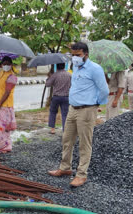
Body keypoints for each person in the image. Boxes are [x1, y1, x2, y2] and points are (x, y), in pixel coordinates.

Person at [48, 42, 109, 187]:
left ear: (86, 54)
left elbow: (104, 90)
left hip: (87, 110)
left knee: (84, 143)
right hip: (72, 108)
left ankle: (81, 175)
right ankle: (65, 168)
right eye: (73, 55)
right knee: (66, 139)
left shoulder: (95, 69)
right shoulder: (74, 66)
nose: (74, 57)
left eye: (78, 55)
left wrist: (95, 104)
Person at [0, 56, 18, 155]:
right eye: (4, 64)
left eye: (8, 64)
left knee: (3, 128)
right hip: (1, 105)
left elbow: (7, 91)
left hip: (5, 105)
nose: (6, 66)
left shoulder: (12, 77)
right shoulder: (1, 74)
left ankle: (4, 146)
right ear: (1, 65)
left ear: (11, 65)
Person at [45, 63, 71, 134]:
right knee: (65, 114)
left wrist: (49, 77)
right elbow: (72, 85)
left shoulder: (54, 75)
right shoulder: (69, 75)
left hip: (56, 97)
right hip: (66, 97)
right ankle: (65, 130)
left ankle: (52, 129)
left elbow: (47, 84)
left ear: (57, 67)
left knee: (53, 112)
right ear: (64, 66)